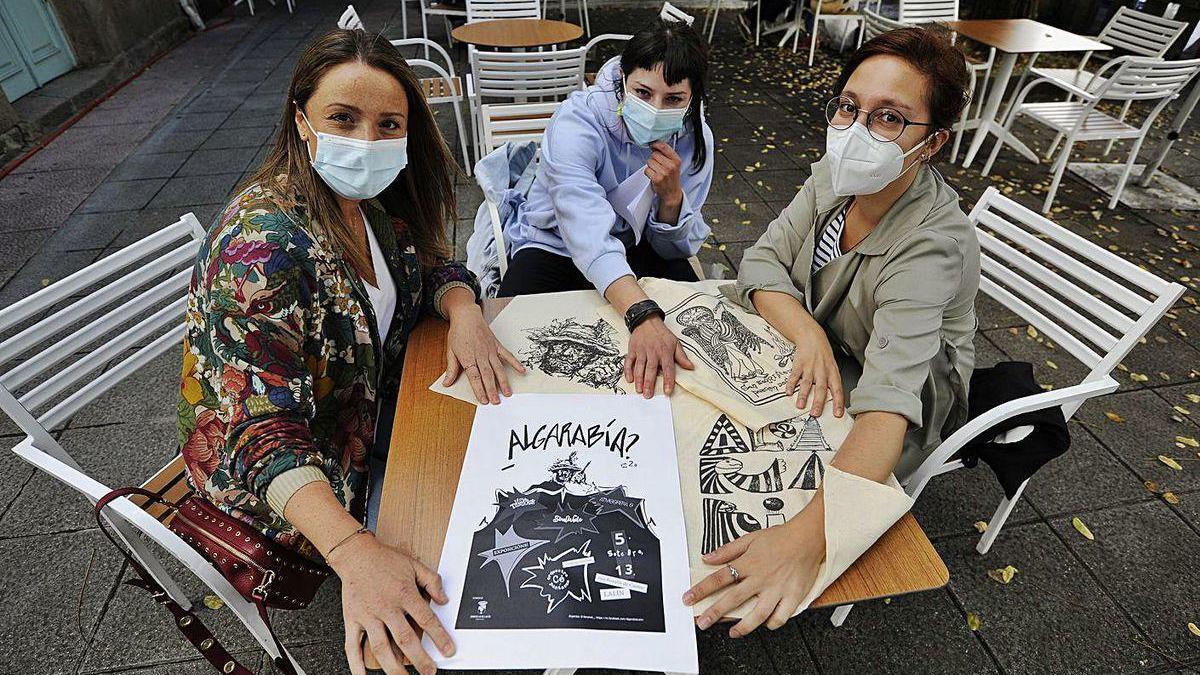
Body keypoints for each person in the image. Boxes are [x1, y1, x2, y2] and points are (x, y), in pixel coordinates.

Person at [178, 29, 523, 675]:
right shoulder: (262, 247)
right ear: (301, 120)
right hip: (288, 483)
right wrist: (354, 550)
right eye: (344, 118)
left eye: (388, 124)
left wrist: (465, 309)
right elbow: (260, 432)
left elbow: (432, 264)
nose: (366, 141)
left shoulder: (367, 204)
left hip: (376, 418)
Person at [685, 27, 979, 635]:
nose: (854, 131)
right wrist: (809, 335)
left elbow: (889, 410)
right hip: (824, 346)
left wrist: (804, 538)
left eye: (889, 118)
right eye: (849, 106)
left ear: (934, 143)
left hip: (901, 387)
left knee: (745, 483)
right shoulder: (837, 176)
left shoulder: (929, 248)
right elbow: (761, 261)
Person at [496, 17, 715, 400]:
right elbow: (583, 227)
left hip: (635, 243)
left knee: (701, 338)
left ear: (692, 98)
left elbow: (674, 249)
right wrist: (640, 313)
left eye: (674, 99)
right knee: (512, 345)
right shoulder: (577, 122)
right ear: (622, 81)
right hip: (554, 245)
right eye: (643, 93)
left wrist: (671, 200)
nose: (655, 108)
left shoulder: (696, 138)